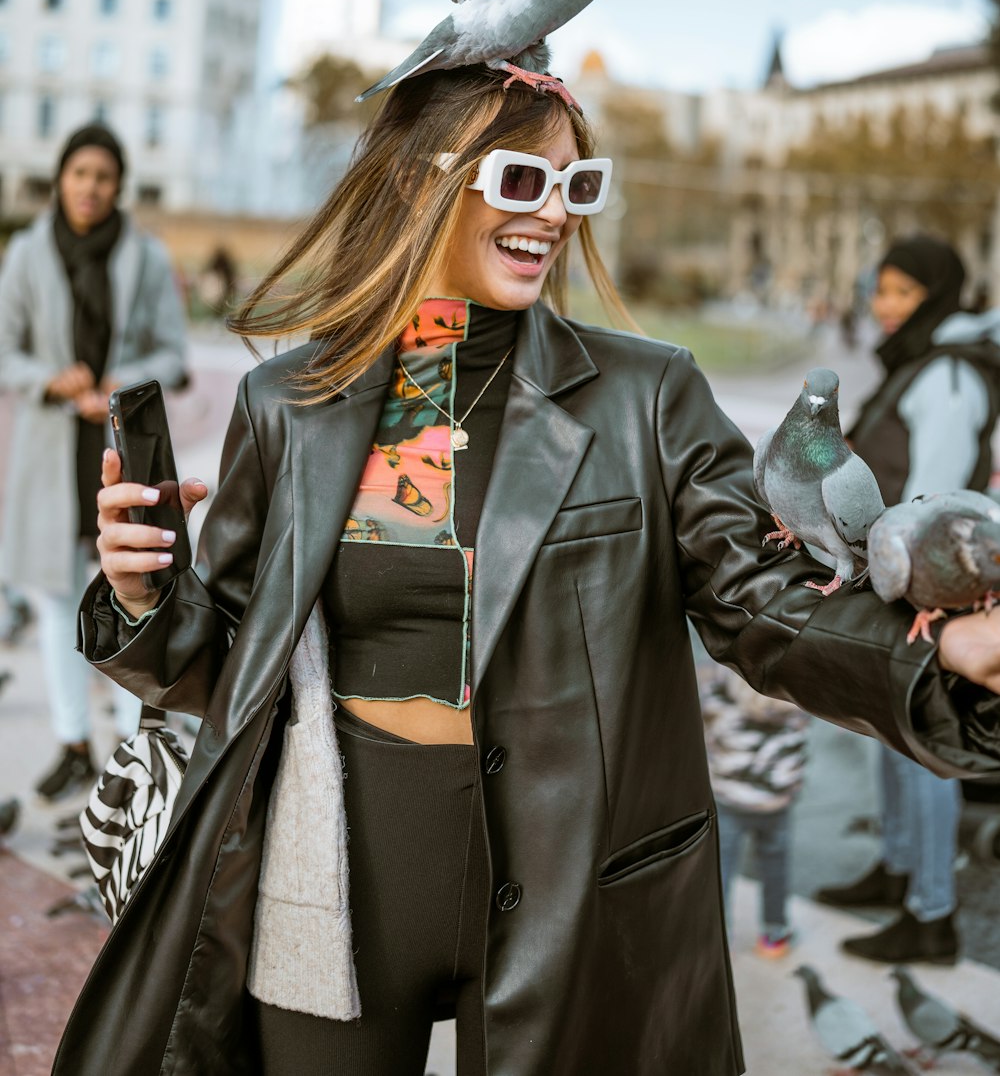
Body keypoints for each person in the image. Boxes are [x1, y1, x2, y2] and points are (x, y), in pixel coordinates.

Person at [54, 71, 1000, 1076]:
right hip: (329, 878)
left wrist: (944, 651)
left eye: (574, 185)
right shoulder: (290, 403)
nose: (551, 213)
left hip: (576, 883)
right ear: (422, 185)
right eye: (520, 180)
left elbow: (757, 600)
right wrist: (146, 596)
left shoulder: (647, 397)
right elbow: (234, 672)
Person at [816, 234, 1000, 965]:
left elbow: (935, 500)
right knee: (887, 735)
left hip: (926, 585)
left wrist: (902, 577)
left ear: (935, 293)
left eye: (899, 291)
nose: (882, 305)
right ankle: (897, 873)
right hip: (890, 577)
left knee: (921, 747)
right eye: (879, 289)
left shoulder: (949, 376)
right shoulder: (922, 364)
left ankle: (932, 913)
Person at [0, 124, 188, 801]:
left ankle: (131, 750)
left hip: (121, 449)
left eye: (103, 176)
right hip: (50, 451)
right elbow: (5, 348)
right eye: (79, 172)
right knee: (54, 598)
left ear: (119, 186)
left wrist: (116, 382)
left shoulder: (144, 255)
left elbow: (173, 354)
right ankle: (73, 741)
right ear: (60, 178)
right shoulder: (26, 253)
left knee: (127, 592)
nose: (90, 186)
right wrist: (52, 379)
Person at [699, 660, 808, 958]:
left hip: (729, 798)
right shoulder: (797, 690)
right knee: (775, 865)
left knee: (720, 870)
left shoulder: (718, 685)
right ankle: (775, 933)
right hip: (776, 802)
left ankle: (718, 938)